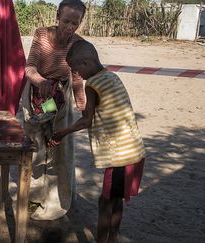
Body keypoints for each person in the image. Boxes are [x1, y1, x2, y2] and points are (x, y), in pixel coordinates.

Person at [49, 40, 145, 242]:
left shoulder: (92, 84)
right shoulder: (112, 76)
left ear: (86, 63)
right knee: (116, 199)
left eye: (76, 70)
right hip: (134, 149)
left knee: (105, 202)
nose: (77, 75)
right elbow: (103, 110)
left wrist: (62, 133)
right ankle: (113, 238)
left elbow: (86, 121)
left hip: (120, 155)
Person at [21, 0, 87, 220]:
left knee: (60, 147)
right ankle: (33, 195)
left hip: (61, 98)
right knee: (36, 145)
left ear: (80, 23)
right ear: (57, 16)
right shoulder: (41, 35)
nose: (69, 27)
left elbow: (77, 78)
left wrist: (82, 105)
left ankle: (58, 196)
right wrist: (41, 82)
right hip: (36, 95)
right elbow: (29, 67)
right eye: (66, 21)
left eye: (74, 23)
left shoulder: (78, 44)